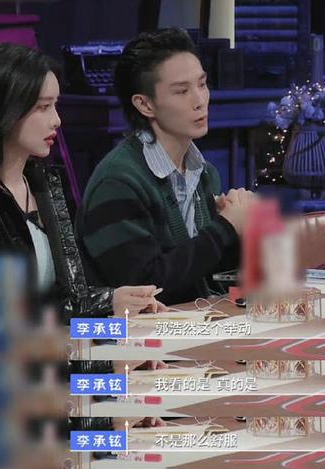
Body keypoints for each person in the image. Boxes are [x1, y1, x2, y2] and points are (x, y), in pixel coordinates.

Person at [0, 42, 165, 339]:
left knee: (157, 350)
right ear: (3, 111)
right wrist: (105, 344)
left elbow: (71, 305)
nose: (57, 120)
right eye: (43, 107)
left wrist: (120, 326)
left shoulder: (45, 185)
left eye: (55, 105)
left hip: (57, 358)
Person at [77, 28, 254, 306]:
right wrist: (225, 228)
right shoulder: (118, 182)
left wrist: (242, 232)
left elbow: (209, 278)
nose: (200, 101)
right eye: (182, 91)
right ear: (145, 104)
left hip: (197, 323)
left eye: (202, 84)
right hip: (135, 330)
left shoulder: (204, 173)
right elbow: (146, 285)